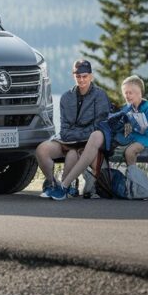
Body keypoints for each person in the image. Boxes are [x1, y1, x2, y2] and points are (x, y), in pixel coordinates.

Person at [35, 59, 110, 200]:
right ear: (73, 76)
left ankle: (64, 187)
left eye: (85, 76)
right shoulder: (65, 98)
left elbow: (98, 126)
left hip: (88, 143)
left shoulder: (100, 96)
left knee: (74, 152)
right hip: (68, 140)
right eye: (78, 76)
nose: (81, 80)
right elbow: (64, 129)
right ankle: (52, 184)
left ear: (91, 76)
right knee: (41, 149)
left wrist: (76, 137)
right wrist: (72, 138)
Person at [102, 75, 148, 165]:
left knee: (129, 152)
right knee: (108, 144)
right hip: (131, 136)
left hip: (145, 137)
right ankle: (108, 173)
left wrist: (139, 128)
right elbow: (126, 127)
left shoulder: (147, 108)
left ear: (139, 93)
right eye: (125, 93)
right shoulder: (127, 108)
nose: (127, 96)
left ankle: (132, 175)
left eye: (130, 93)